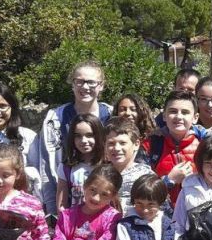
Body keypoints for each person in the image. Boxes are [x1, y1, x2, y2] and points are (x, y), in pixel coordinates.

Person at [35, 61, 112, 216]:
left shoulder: (111, 115)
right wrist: (53, 211)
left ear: (101, 85)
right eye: (79, 81)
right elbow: (47, 167)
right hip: (69, 205)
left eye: (91, 82)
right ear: (73, 84)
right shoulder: (55, 119)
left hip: (106, 205)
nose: (85, 87)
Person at [146, 90, 204, 206]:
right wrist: (169, 180)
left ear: (195, 117)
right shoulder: (150, 145)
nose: (178, 116)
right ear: (164, 116)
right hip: (158, 214)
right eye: (173, 111)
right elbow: (141, 190)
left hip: (195, 214)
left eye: (185, 112)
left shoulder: (205, 145)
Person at [56, 114, 106, 212]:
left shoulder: (108, 165)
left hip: (103, 222)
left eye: (89, 135)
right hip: (76, 223)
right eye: (78, 136)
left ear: (99, 135)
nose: (83, 141)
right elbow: (61, 205)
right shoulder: (66, 167)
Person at [104, 118, 155, 211]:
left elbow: (160, 209)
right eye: (111, 143)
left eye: (122, 143)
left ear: (136, 144)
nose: (117, 148)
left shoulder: (145, 176)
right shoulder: (101, 175)